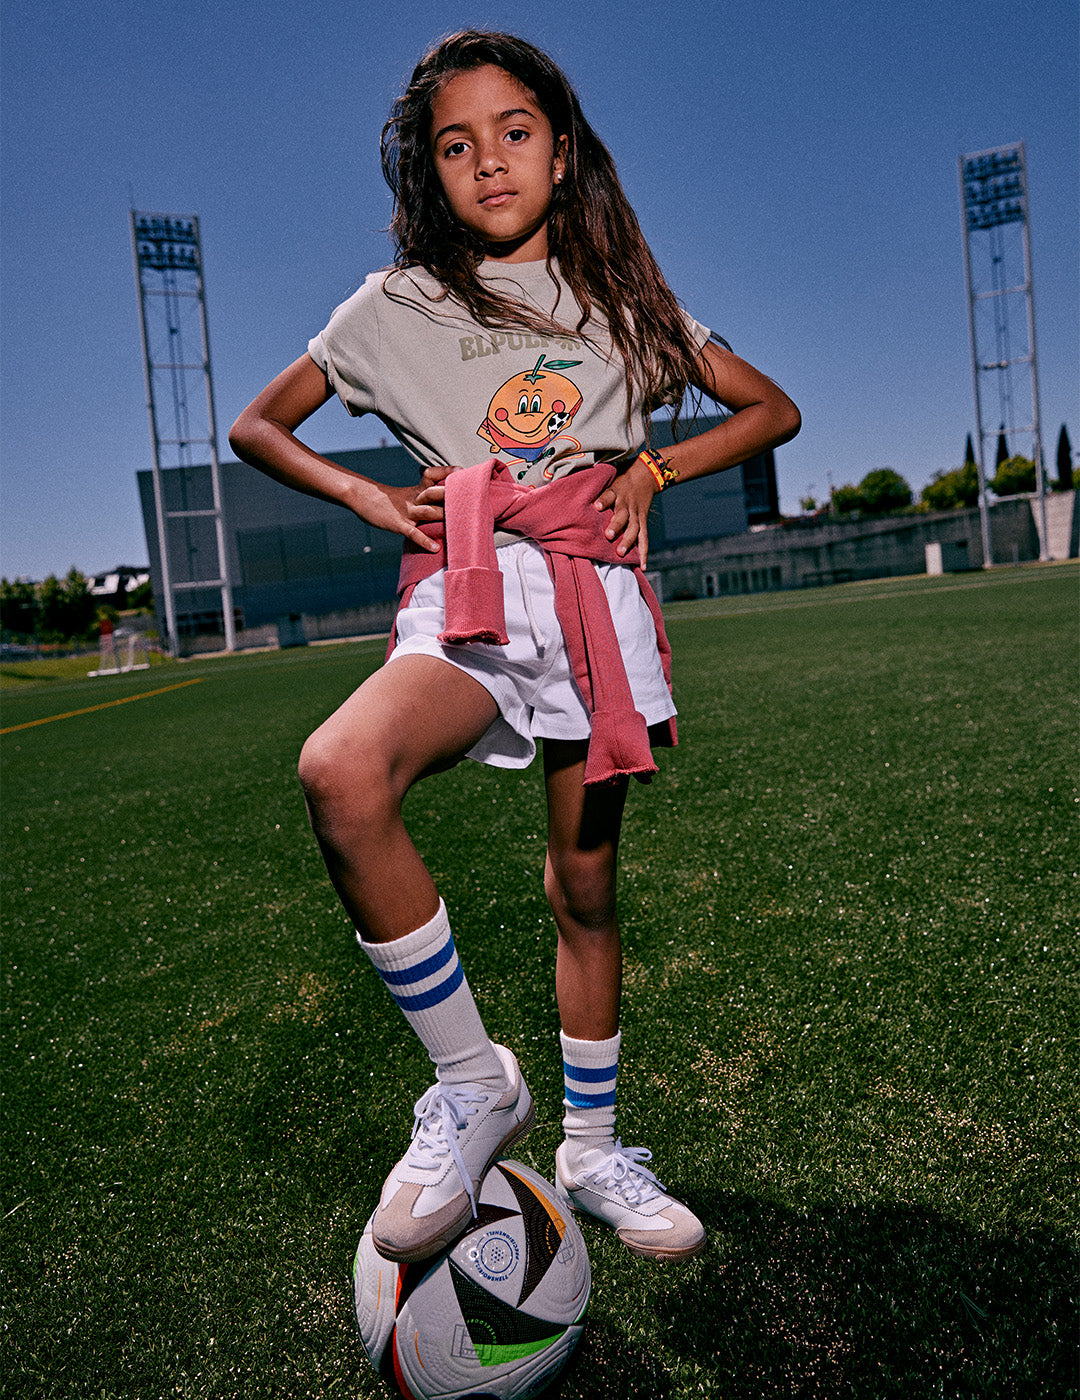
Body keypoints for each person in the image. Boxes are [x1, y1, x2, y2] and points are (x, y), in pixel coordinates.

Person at [229, 29, 800, 1266]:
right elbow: (257, 425)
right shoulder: (395, 306)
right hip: (470, 593)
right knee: (341, 770)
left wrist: (651, 465)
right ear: (428, 172)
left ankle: (593, 1151)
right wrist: (372, 497)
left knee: (584, 886)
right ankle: (476, 1082)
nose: (488, 159)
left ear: (561, 145)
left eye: (515, 130)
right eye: (455, 142)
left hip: (594, 602)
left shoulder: (626, 300)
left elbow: (772, 408)